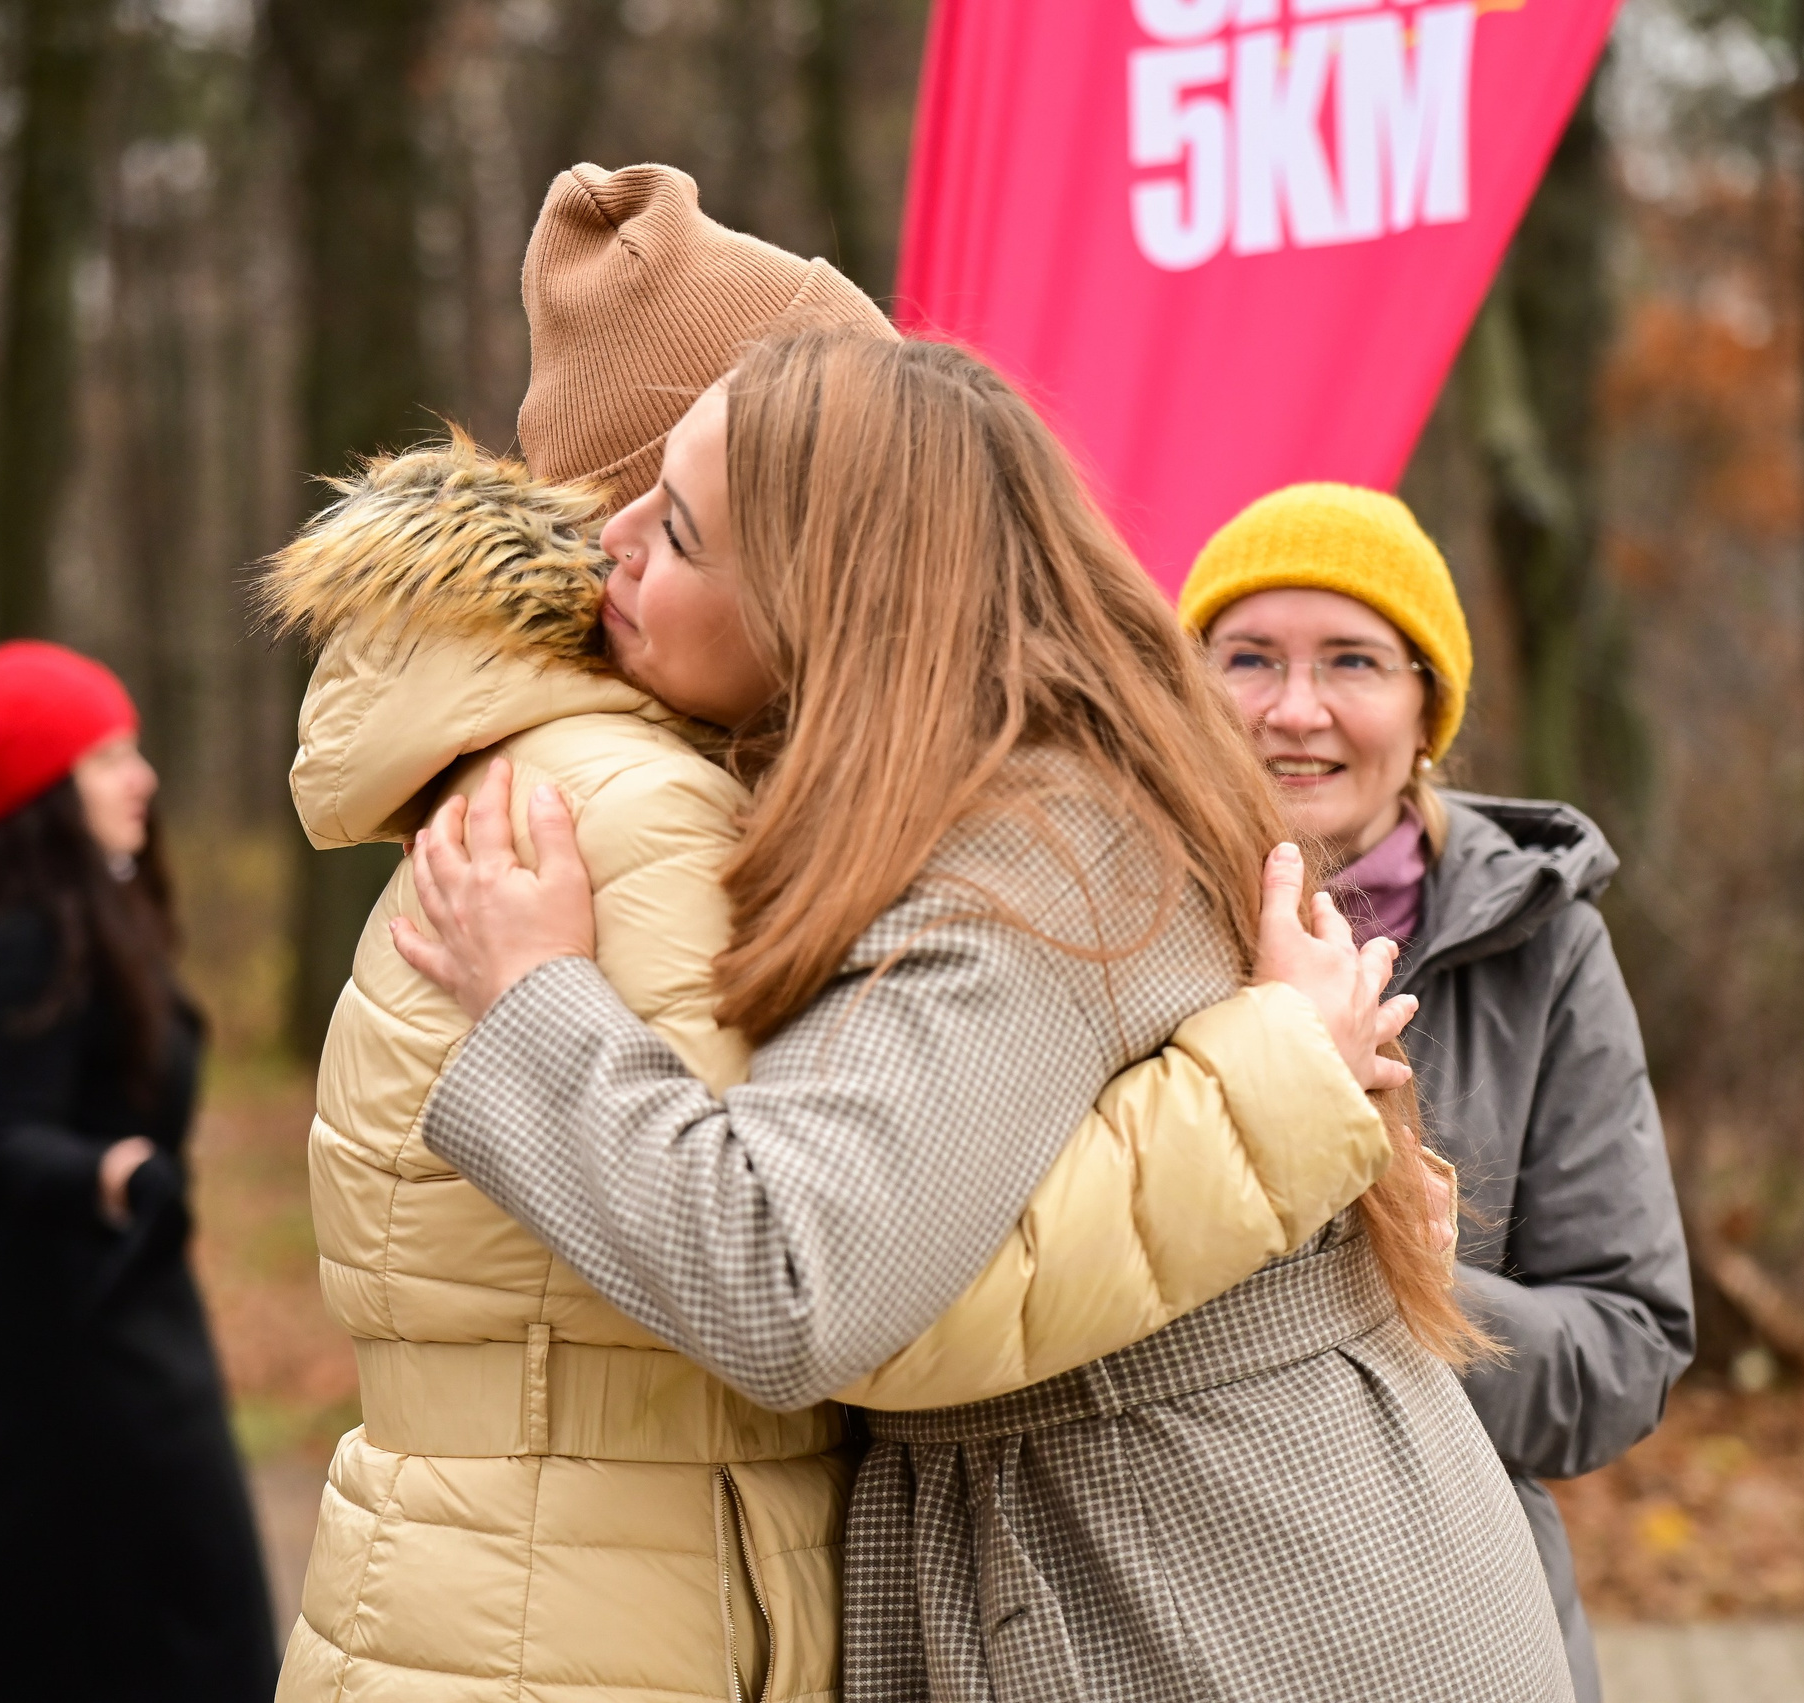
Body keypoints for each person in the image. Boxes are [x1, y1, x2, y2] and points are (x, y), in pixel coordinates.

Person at [266, 166, 1408, 1703]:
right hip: (597, 1621)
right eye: (664, 514)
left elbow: (856, 1247)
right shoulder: (645, 812)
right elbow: (819, 1281)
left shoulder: (713, 790)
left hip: (567, 1596)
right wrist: (1272, 1089)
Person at [1176, 482, 1698, 1703]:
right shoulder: (1109, 911)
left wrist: (1395, 1287)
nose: (1292, 709)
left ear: (1426, 711)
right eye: (1247, 657)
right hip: (1162, 1613)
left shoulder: (1543, 945)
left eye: (1351, 660)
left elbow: (1624, 1350)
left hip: (1451, 1629)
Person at [0, 641, 279, 1703]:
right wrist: (109, 1173)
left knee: (117, 1620)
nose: (144, 777)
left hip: (107, 1317)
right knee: (10, 1616)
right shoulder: (14, 943)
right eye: (111, 754)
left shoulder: (82, 923)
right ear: (45, 784)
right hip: (58, 1340)